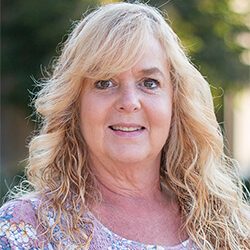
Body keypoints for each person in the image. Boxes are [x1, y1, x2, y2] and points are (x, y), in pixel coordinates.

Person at [0, 2, 249, 249]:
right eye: (105, 82)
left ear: (176, 102)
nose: (129, 103)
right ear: (75, 104)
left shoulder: (231, 227)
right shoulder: (27, 229)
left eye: (149, 83)